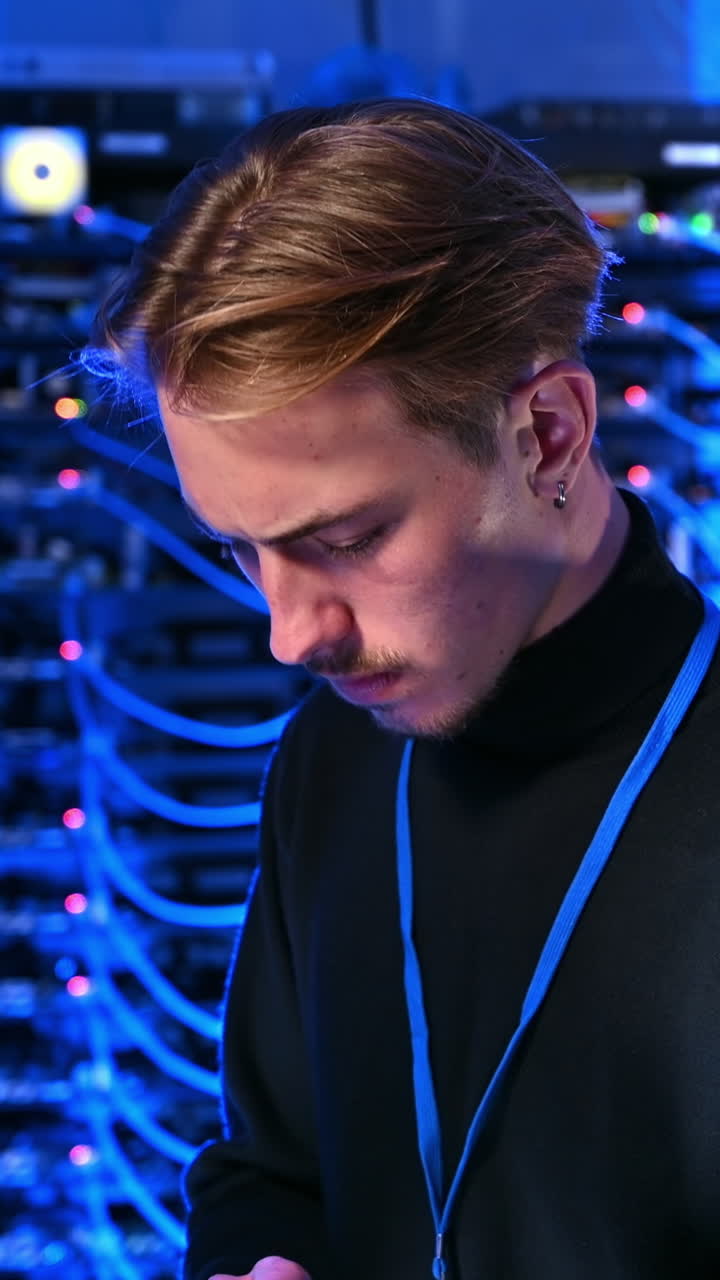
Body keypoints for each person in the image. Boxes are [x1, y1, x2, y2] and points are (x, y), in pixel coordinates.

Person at [89, 99, 720, 1280]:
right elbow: (270, 1169)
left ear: (545, 435)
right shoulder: (333, 760)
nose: (289, 635)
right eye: (240, 548)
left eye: (345, 536)